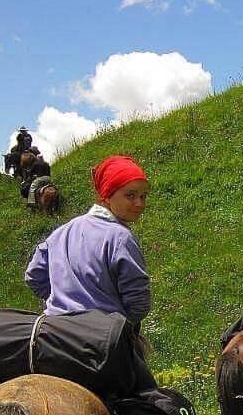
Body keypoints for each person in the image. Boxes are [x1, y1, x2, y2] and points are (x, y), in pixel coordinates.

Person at [25, 154, 156, 390]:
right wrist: (122, 326)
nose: (139, 203)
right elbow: (139, 302)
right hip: (101, 342)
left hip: (53, 338)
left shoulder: (62, 232)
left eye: (143, 196)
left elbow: (33, 275)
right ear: (106, 195)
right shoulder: (120, 237)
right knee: (154, 407)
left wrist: (61, 298)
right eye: (130, 195)